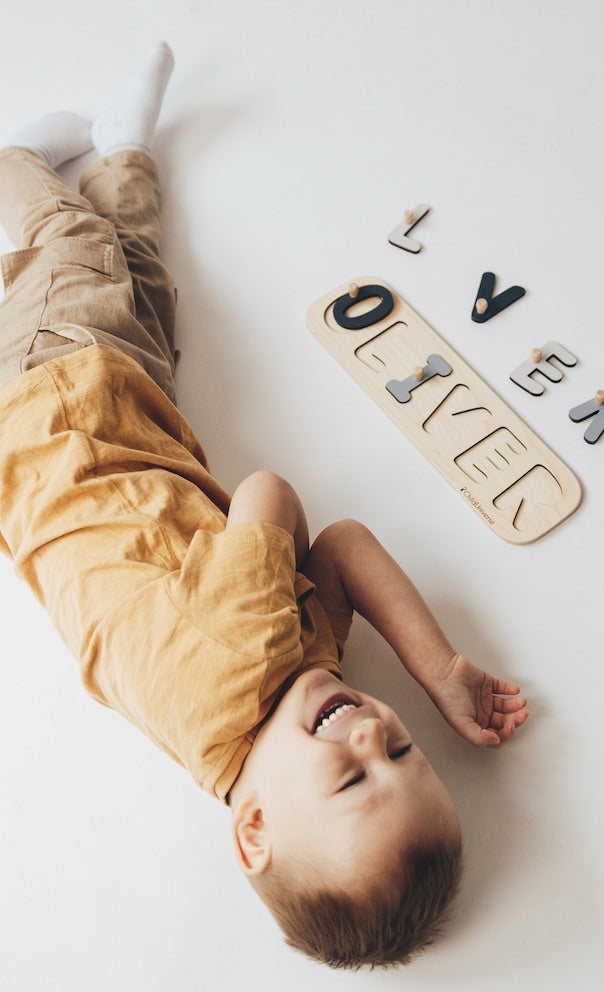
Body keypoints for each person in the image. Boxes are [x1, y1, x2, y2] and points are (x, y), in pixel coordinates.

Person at [0, 42, 529, 969]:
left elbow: (270, 495)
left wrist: (281, 557)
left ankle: (19, 169)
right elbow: (349, 544)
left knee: (77, 255)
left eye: (352, 777)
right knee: (149, 290)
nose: (371, 731)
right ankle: (123, 151)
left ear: (254, 831)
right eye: (404, 753)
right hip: (130, 426)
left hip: (58, 408)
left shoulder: (239, 666)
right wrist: (437, 666)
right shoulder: (283, 693)